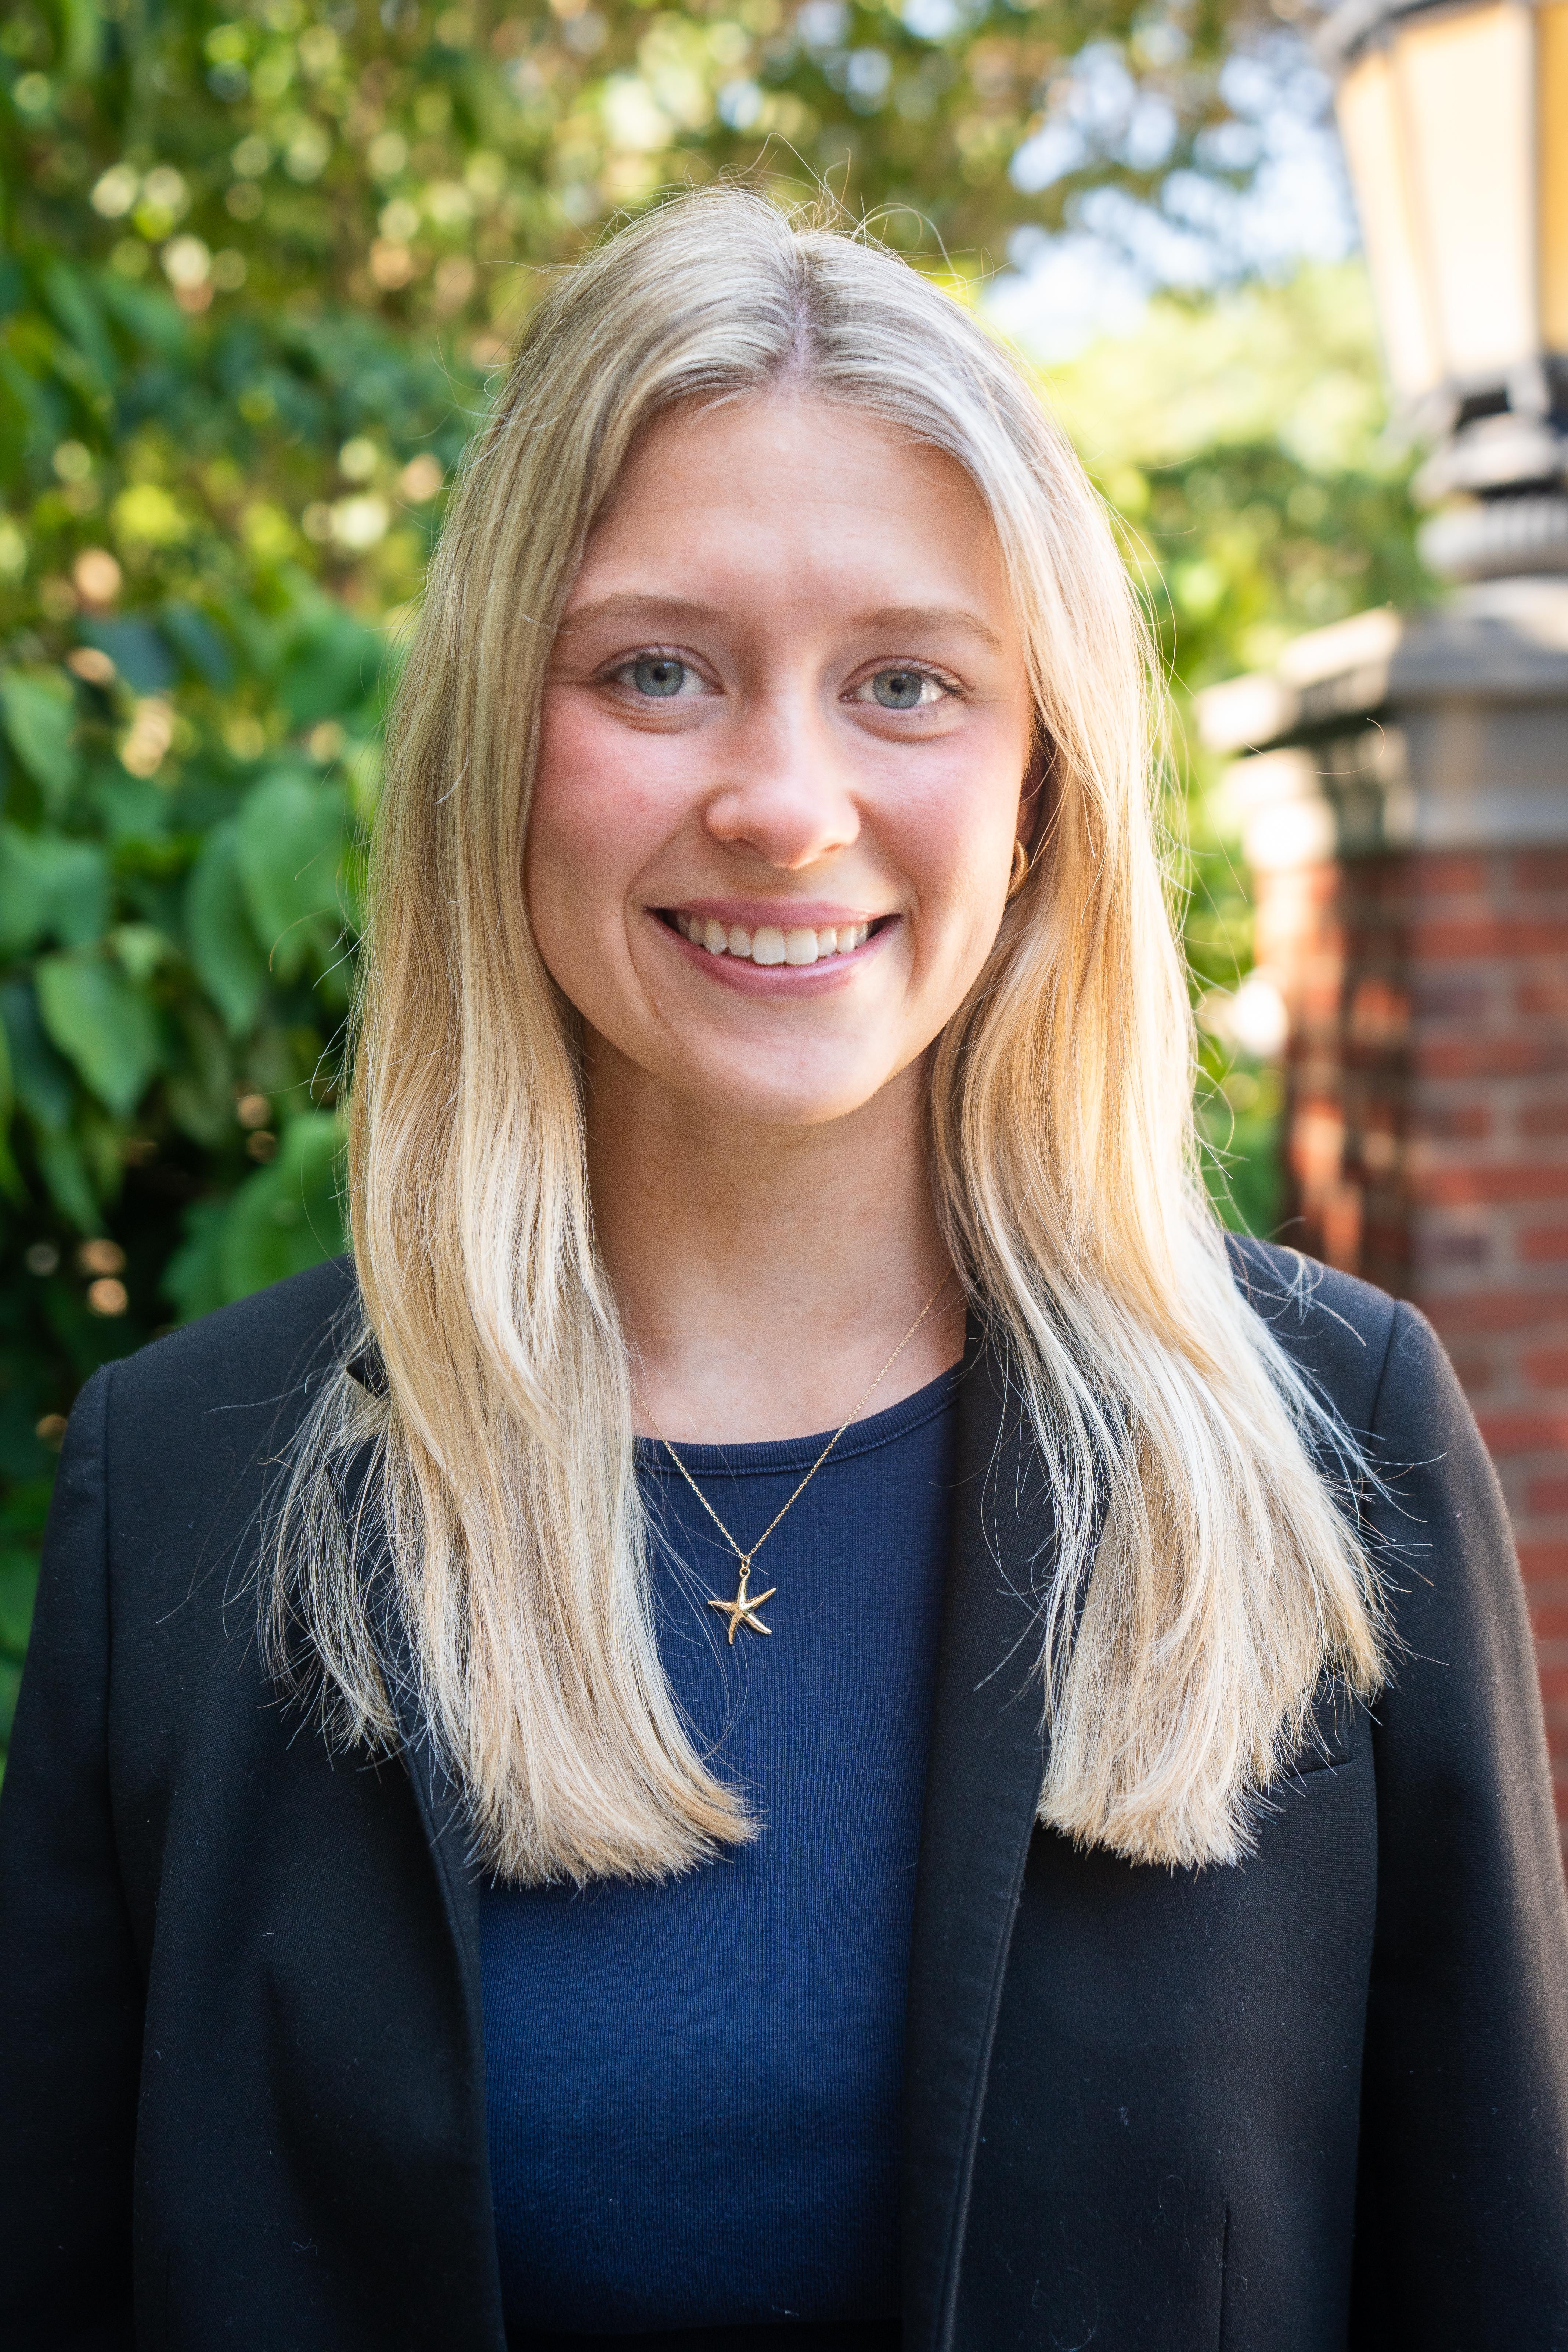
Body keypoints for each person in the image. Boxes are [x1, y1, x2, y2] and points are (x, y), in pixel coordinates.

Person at [2, 189, 1565, 2352]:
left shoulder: (1337, 1447)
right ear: (493, 740)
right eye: (660, 667)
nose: (784, 799)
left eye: (906, 683)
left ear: (1040, 785)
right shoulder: (182, 1488)